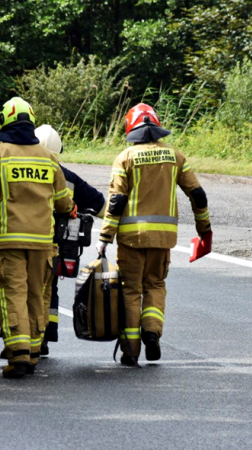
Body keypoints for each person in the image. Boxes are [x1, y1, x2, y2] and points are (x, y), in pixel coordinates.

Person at [96, 103, 211, 365]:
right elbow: (198, 194)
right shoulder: (175, 156)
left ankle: (131, 351)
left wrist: (104, 238)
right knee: (155, 286)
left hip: (131, 239)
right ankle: (152, 331)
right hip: (163, 240)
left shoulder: (125, 157)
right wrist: (204, 229)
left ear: (131, 128)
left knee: (131, 291)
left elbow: (116, 202)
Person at [0, 98, 75, 379]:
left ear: (4, 122)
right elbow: (64, 203)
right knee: (35, 296)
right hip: (43, 242)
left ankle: (17, 355)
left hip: (9, 241)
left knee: (13, 295)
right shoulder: (49, 158)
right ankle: (31, 353)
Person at [34, 124, 105, 356]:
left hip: (21, 241)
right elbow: (99, 204)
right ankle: (45, 334)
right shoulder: (69, 178)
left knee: (22, 289)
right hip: (55, 247)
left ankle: (25, 338)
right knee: (49, 288)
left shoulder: (23, 169)